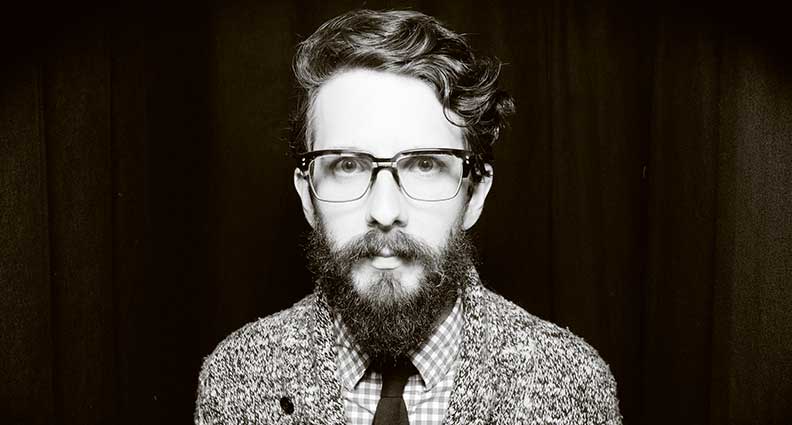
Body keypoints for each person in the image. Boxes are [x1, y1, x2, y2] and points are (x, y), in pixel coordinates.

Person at [194, 9, 621, 425]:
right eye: (347, 165)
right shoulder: (235, 381)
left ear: (474, 195)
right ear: (307, 195)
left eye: (425, 165)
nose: (384, 212)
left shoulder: (571, 386)